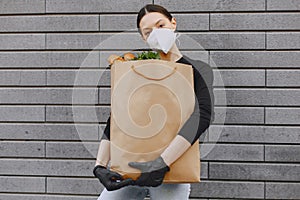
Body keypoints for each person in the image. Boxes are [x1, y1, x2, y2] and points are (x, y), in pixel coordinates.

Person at [93, 4, 215, 200]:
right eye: (148, 32)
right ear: (143, 38)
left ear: (173, 23)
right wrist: (100, 165)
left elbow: (202, 115)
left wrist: (161, 163)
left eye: (161, 25)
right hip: (130, 169)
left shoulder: (196, 70)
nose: (156, 34)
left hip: (171, 172)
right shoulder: (135, 70)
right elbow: (118, 116)